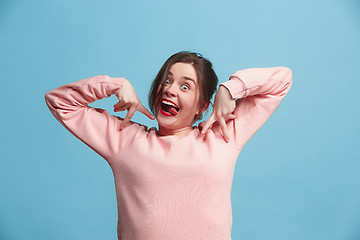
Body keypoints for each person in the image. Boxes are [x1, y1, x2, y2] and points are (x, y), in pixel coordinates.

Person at [45, 51, 293, 240]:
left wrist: (230, 90)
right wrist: (115, 85)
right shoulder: (125, 139)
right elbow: (60, 102)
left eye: (185, 86)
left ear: (202, 106)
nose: (170, 90)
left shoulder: (222, 135)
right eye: (167, 81)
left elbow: (282, 80)